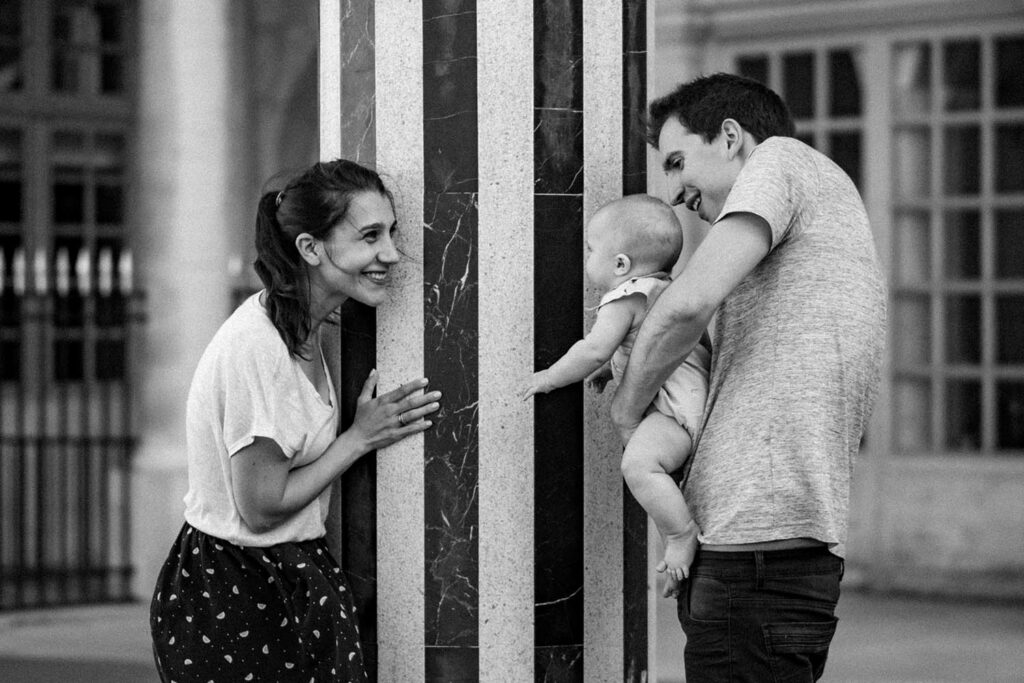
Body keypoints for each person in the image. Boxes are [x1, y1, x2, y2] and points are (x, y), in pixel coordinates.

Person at [610, 73, 885, 682]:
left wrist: (627, 413)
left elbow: (686, 305)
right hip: (768, 557)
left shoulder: (780, 159)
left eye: (679, 162)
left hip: (754, 556)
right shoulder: (799, 221)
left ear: (732, 137)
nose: (676, 193)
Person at [150, 159, 442, 682]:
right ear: (310, 248)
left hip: (283, 577)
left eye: (391, 233)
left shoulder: (306, 327)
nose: (392, 254)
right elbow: (260, 509)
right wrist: (359, 439)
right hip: (237, 592)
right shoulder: (257, 350)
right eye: (369, 236)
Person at [523, 194, 710, 581]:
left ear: (620, 264)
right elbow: (643, 346)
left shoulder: (625, 296)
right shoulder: (662, 291)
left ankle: (681, 534)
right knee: (662, 481)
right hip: (690, 403)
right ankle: (677, 563)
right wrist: (613, 369)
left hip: (673, 412)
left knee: (639, 466)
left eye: (592, 250)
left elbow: (593, 349)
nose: (586, 258)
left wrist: (547, 377)